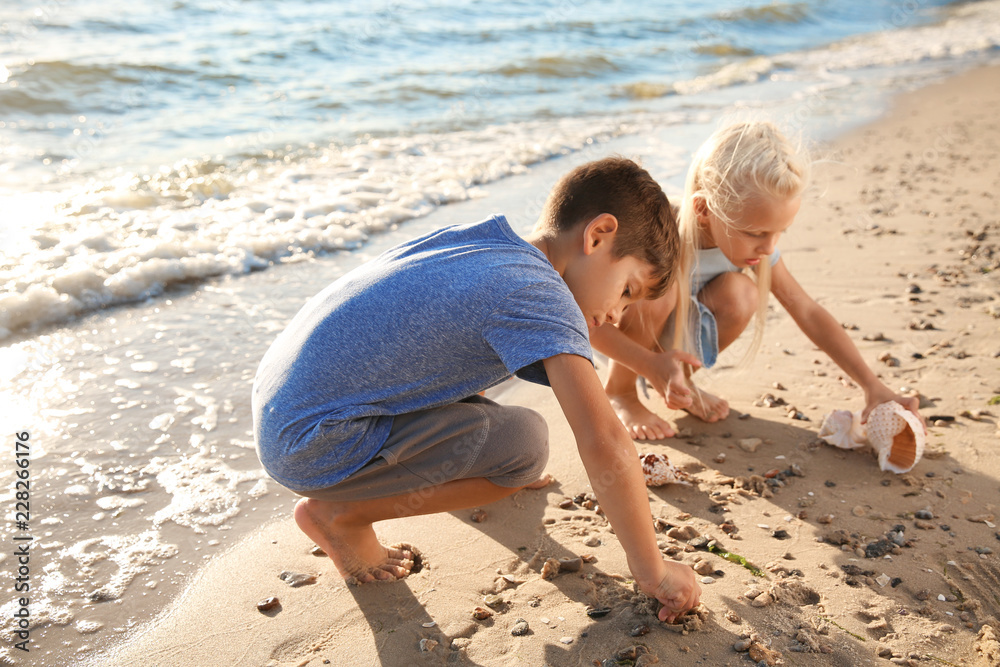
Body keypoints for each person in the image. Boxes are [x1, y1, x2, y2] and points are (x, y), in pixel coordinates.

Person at [252, 156, 700, 622]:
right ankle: (341, 516)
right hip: (315, 444)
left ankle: (403, 481)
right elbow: (603, 439)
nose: (617, 316)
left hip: (284, 412)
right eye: (627, 290)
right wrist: (652, 571)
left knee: (494, 426)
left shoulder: (487, 244)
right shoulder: (541, 293)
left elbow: (428, 348)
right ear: (597, 235)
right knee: (524, 447)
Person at [591, 121, 923, 441]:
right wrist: (647, 364)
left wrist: (871, 386)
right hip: (622, 340)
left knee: (742, 294)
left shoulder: (759, 250)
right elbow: (589, 322)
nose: (768, 247)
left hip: (669, 341)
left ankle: (682, 382)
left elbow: (806, 311)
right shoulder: (657, 236)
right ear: (704, 210)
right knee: (663, 288)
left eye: (779, 233)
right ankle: (620, 391)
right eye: (756, 233)